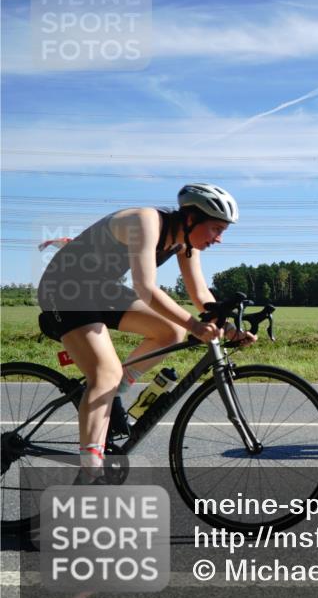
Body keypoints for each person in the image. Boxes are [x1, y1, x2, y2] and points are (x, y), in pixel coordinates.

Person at [37, 183, 255, 480]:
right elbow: (145, 287)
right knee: (105, 374)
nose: (219, 239)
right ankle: (90, 470)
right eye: (216, 229)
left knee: (170, 332)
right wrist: (193, 325)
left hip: (101, 290)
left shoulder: (185, 243)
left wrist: (228, 328)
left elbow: (201, 293)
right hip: (65, 288)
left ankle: (117, 392)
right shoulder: (146, 222)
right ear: (192, 219)